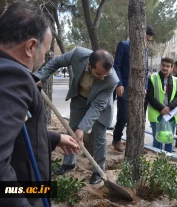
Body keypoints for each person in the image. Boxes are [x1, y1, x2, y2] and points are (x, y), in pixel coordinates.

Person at [0, 2, 80, 206]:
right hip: (22, 191)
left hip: (29, 187)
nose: (44, 58)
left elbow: (14, 130)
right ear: (30, 47)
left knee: (49, 191)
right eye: (45, 51)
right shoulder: (13, 76)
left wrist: (53, 138)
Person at [35, 47, 119, 185]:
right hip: (80, 97)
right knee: (72, 130)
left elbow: (97, 107)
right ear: (89, 65)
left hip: (100, 105)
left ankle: (98, 170)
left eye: (106, 74)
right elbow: (56, 62)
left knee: (100, 136)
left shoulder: (112, 80)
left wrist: (83, 129)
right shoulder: (78, 55)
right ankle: (69, 163)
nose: (102, 78)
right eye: (98, 74)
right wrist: (40, 76)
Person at [112, 25, 155, 152]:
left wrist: (145, 86)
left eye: (149, 41)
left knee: (137, 117)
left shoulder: (145, 51)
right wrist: (119, 84)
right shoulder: (124, 45)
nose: (147, 43)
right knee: (123, 116)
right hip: (124, 87)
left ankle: (134, 143)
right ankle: (117, 139)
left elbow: (146, 70)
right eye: (146, 39)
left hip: (138, 89)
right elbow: (117, 66)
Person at [146, 57, 177, 153]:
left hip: (170, 115)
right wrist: (161, 108)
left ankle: (167, 163)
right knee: (157, 140)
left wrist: (168, 107)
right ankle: (156, 163)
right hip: (157, 114)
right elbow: (149, 96)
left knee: (169, 140)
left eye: (168, 66)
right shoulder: (152, 78)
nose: (165, 68)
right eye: (163, 65)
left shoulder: (176, 80)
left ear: (172, 68)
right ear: (160, 66)